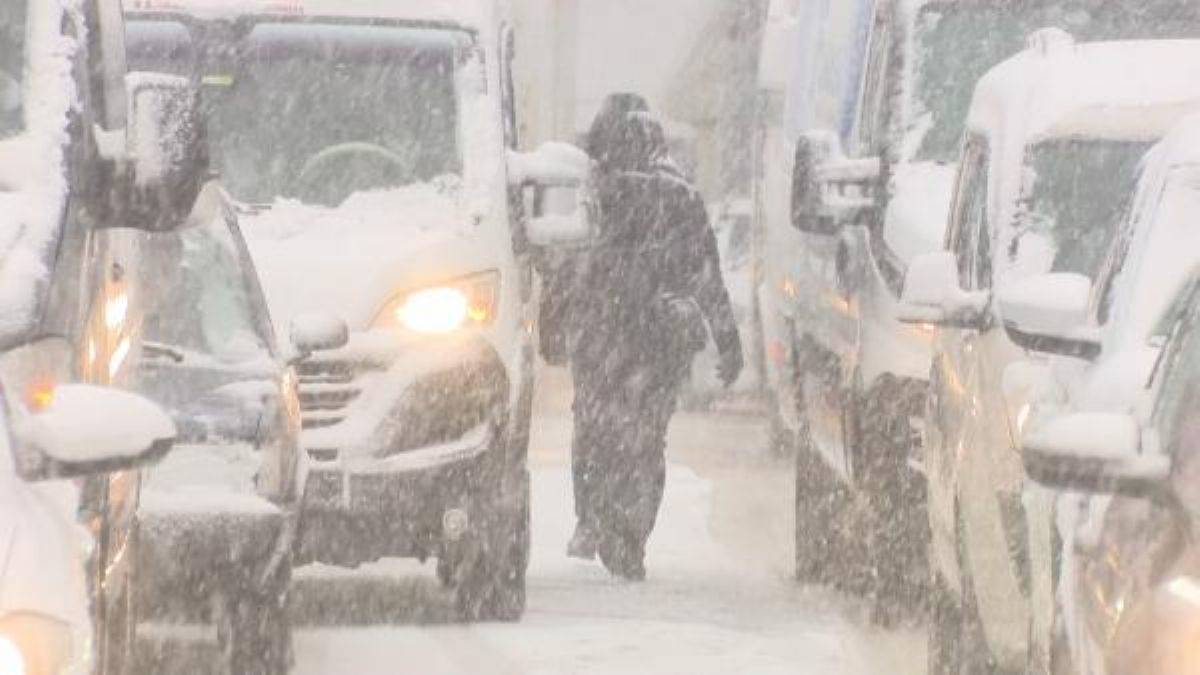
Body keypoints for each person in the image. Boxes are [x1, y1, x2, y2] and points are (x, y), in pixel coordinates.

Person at [564, 95, 743, 580]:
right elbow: (707, 274)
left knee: (593, 430)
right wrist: (727, 340)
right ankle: (631, 536)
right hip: (659, 341)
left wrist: (555, 325)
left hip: (599, 337)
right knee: (646, 440)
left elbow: (567, 266)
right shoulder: (680, 196)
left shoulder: (591, 193)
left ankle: (593, 518)